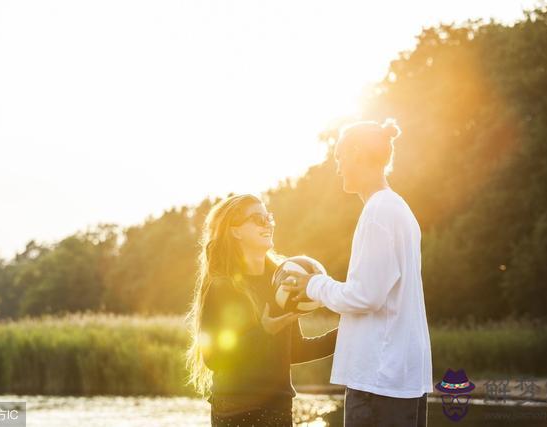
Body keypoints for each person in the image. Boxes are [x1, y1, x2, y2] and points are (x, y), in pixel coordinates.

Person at [282, 119, 433, 427]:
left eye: (339, 157)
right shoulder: (397, 209)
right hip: (397, 380)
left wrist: (313, 285)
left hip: (380, 382)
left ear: (357, 153)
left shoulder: (379, 212)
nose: (338, 167)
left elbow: (364, 296)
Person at [185, 194, 338, 427]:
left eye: (269, 217)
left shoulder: (282, 282)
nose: (267, 224)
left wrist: (345, 334)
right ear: (235, 231)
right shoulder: (222, 286)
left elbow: (294, 351)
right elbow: (214, 358)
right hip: (235, 412)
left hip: (278, 410)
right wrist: (263, 331)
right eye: (258, 218)